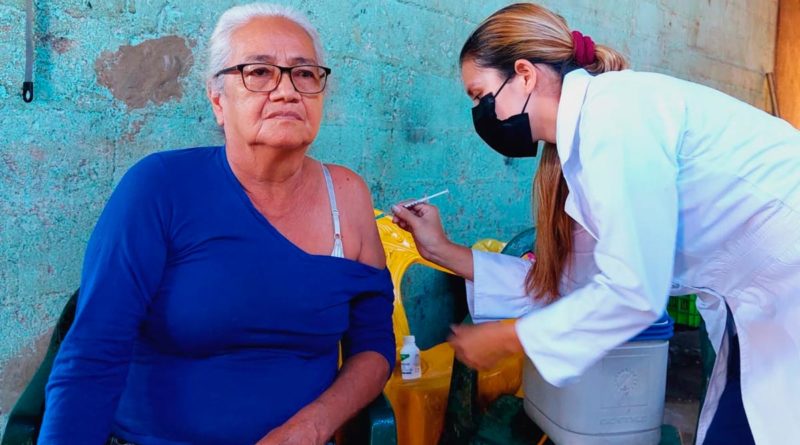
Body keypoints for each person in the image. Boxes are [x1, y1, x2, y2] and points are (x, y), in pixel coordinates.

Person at [392, 3, 800, 444]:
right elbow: (575, 286)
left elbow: (633, 291)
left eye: (479, 95)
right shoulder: (578, 150)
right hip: (763, 302)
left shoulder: (615, 115)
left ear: (525, 74)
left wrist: (510, 337)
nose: (479, 113)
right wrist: (441, 249)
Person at [40, 4, 395, 444]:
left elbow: (375, 346)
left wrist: (312, 425)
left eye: (304, 74)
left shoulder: (349, 197)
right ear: (218, 101)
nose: (287, 91)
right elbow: (93, 354)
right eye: (259, 72)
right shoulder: (160, 188)